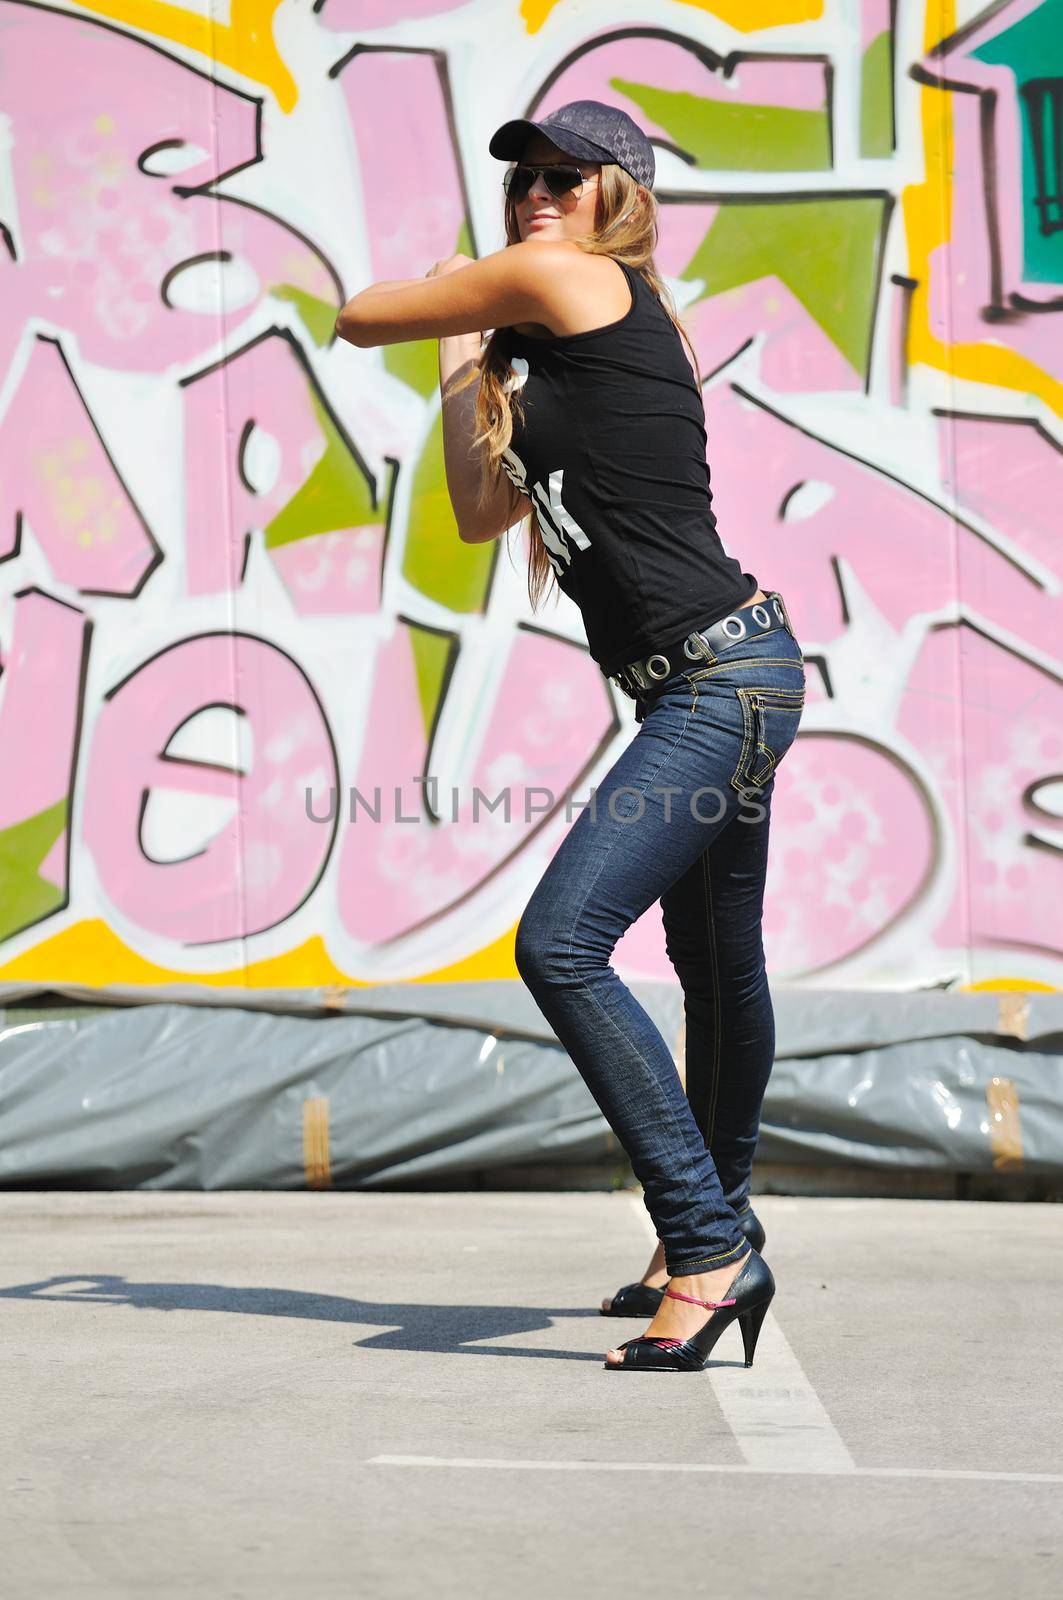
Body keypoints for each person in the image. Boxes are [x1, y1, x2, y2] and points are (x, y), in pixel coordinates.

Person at [335, 99, 805, 1373]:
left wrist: (438, 292)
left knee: (561, 942)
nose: (536, 193)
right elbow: (483, 510)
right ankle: (711, 1227)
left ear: (619, 195)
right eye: (521, 180)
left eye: (564, 173)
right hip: (713, 684)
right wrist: (462, 357)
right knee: (715, 966)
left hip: (722, 683)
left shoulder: (575, 277)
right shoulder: (539, 343)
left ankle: (707, 1247)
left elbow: (357, 312)